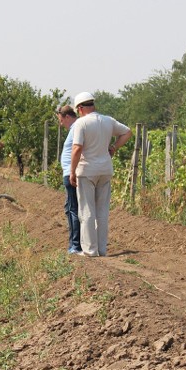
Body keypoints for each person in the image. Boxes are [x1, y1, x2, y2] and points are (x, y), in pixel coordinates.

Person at [69, 92, 132, 257]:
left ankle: (90, 250)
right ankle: (102, 249)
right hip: (105, 170)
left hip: (87, 170)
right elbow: (127, 132)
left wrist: (72, 171)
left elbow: (76, 149)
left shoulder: (81, 123)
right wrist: (113, 148)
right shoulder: (108, 120)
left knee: (86, 210)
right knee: (102, 210)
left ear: (80, 108)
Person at [57, 105, 82, 255]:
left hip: (71, 174)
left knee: (73, 209)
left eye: (61, 120)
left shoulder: (76, 127)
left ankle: (75, 245)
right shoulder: (75, 128)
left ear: (67, 117)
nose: (61, 124)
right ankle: (76, 243)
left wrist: (72, 172)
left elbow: (78, 150)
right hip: (70, 173)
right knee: (71, 208)